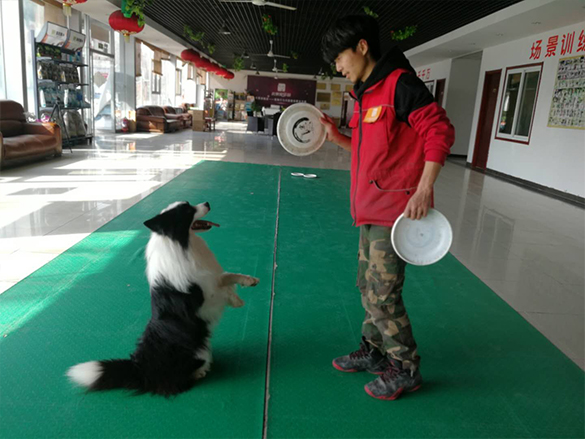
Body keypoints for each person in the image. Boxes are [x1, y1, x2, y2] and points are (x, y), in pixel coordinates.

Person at [320, 14, 455, 401]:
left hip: (394, 213)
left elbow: (439, 129)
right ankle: (376, 351)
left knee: (383, 294)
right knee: (367, 286)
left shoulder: (399, 84)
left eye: (340, 58)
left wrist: (425, 188)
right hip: (369, 211)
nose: (338, 67)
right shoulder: (367, 92)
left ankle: (406, 368)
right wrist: (338, 138)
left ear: (362, 47)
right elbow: (371, 152)